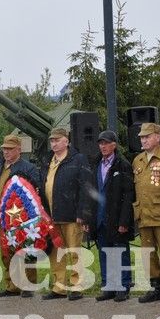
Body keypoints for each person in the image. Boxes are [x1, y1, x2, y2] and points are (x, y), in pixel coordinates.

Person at [40, 127, 92, 301]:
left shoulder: (78, 159)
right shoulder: (48, 160)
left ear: (67, 141)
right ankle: (59, 287)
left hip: (72, 215)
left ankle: (77, 286)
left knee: (74, 252)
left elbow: (86, 187)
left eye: (57, 140)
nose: (54, 143)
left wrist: (83, 213)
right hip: (52, 216)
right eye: (52, 141)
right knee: (55, 253)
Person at [0, 134, 42, 298]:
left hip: (22, 220)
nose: (6, 152)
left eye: (10, 149)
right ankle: (12, 285)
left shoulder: (28, 168)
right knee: (7, 252)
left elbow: (35, 192)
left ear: (19, 149)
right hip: (2, 219)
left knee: (26, 251)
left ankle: (28, 285)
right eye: (4, 149)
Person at [132, 123, 160, 304]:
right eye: (142, 138)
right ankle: (155, 287)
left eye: (147, 137)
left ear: (157, 137)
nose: (143, 140)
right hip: (144, 215)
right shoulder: (138, 160)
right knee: (148, 253)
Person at [90, 130, 135, 303]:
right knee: (104, 253)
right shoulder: (95, 164)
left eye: (106, 143)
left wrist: (124, 221)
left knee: (120, 252)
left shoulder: (122, 165)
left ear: (114, 145)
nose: (103, 146)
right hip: (100, 217)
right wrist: (89, 218)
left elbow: (128, 196)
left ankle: (123, 287)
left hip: (116, 218)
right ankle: (108, 286)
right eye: (101, 143)